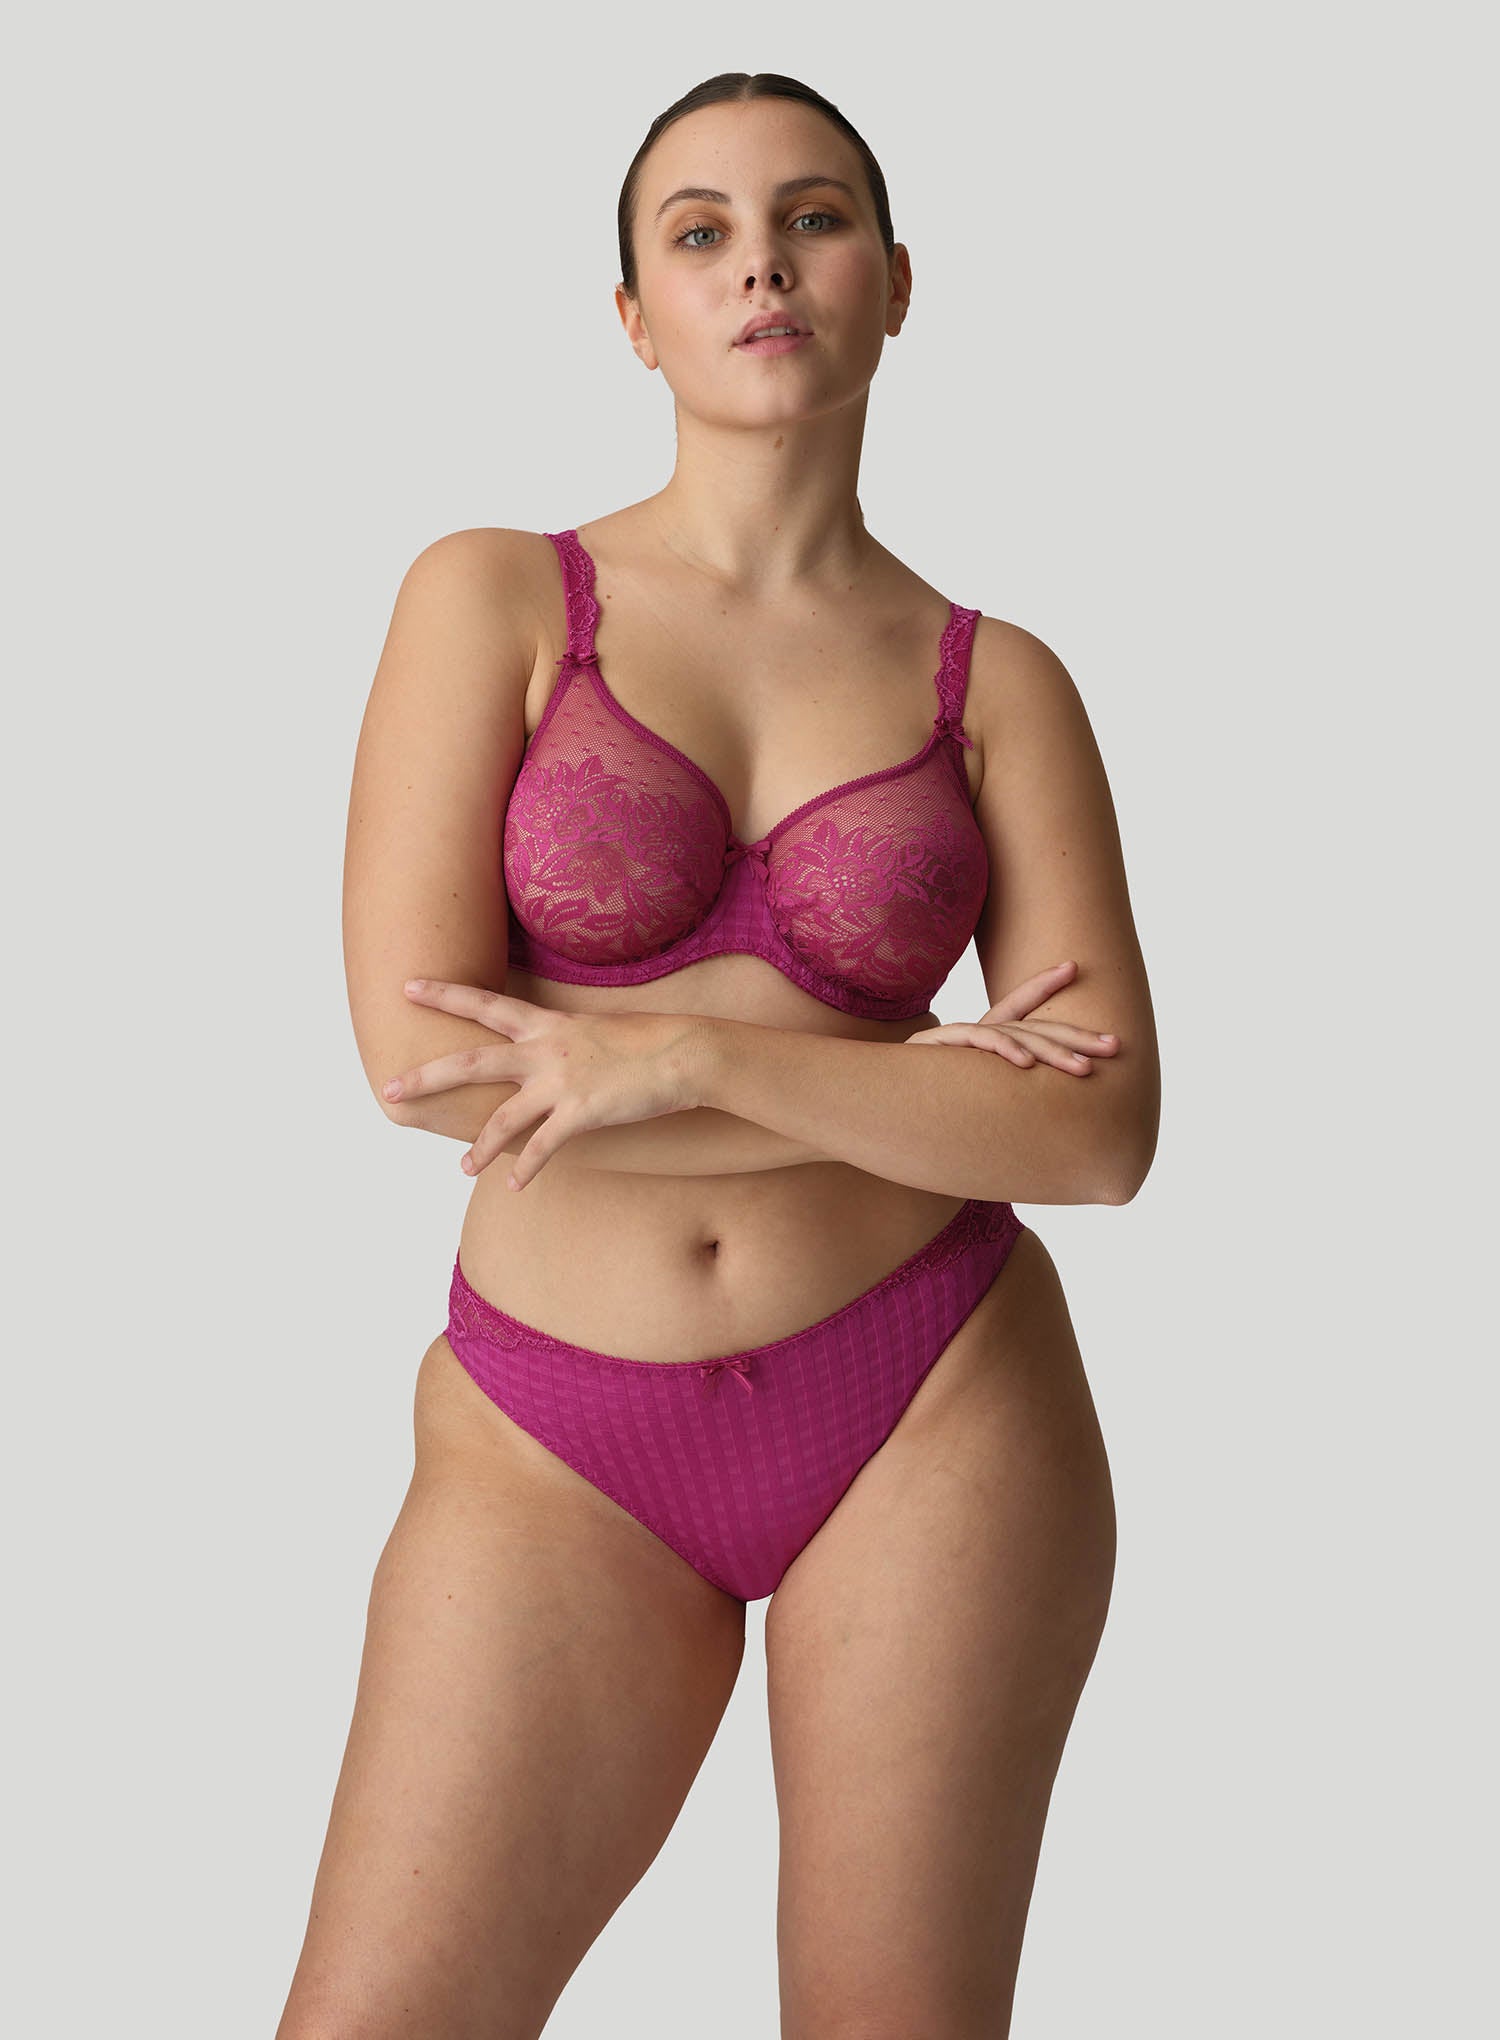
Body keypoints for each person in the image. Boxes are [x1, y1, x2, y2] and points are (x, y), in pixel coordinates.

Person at [278, 69, 1159, 2040]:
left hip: (937, 1403)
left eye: (815, 217)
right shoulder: (499, 596)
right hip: (551, 1440)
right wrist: (926, 1082)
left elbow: (1100, 1135)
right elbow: (420, 1061)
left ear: (896, 283)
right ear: (635, 316)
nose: (762, 263)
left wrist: (674, 1058)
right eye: (702, 232)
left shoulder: (999, 684)